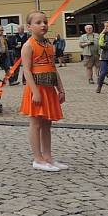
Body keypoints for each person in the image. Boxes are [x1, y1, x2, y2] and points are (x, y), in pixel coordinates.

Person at [19, 11, 66, 171]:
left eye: (45, 22)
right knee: (36, 123)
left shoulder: (49, 45)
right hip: (36, 88)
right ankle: (37, 158)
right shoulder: (28, 46)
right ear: (29, 27)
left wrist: (61, 88)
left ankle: (48, 157)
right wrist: (35, 92)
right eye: (38, 22)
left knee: (47, 124)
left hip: (49, 88)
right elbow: (26, 71)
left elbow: (53, 68)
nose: (43, 25)